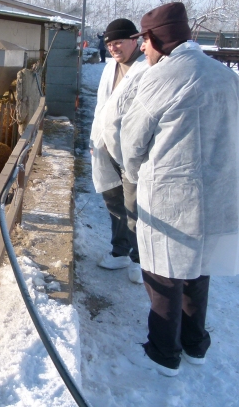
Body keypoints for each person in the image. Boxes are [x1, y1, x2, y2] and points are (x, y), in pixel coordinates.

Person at [120, 2, 239, 377]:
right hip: (218, 191)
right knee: (198, 267)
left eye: (144, 40)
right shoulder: (225, 76)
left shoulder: (162, 77)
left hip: (172, 197)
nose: (142, 48)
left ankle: (164, 352)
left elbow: (132, 140)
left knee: (164, 275)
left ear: (158, 39)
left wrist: (132, 172)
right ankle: (195, 344)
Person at [90, 18, 149, 284]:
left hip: (133, 149)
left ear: (134, 40)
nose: (113, 48)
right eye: (110, 43)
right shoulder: (110, 67)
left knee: (135, 206)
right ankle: (120, 251)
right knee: (113, 201)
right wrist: (95, 141)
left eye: (119, 42)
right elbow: (102, 106)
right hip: (106, 146)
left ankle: (140, 259)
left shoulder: (147, 68)